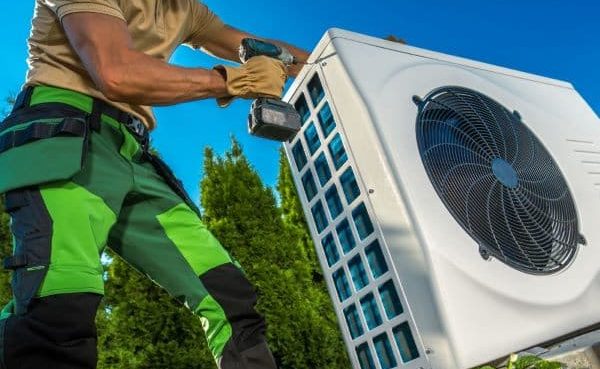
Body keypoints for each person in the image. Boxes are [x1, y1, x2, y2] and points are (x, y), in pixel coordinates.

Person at [0, 1, 309, 369]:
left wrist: (348, 57)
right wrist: (232, 80)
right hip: (64, 131)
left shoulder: (187, 11)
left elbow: (278, 53)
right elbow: (116, 73)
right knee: (61, 298)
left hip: (133, 151)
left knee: (228, 294)